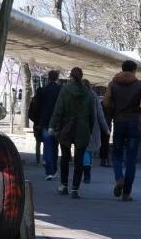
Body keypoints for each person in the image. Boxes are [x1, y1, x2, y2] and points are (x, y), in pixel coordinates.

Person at [104, 59, 141, 201]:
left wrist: (112, 112)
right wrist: (139, 111)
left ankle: (119, 178)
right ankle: (126, 193)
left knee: (117, 154)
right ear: (134, 70)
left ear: (122, 69)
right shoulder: (139, 84)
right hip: (134, 123)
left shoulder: (113, 84)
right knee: (131, 159)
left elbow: (106, 102)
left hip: (119, 122)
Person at [49, 67, 94, 197]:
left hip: (66, 127)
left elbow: (59, 110)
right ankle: (75, 189)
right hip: (83, 128)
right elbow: (92, 115)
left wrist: (52, 126)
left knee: (65, 157)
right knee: (79, 159)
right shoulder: (87, 93)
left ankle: (64, 186)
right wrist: (89, 130)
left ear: (71, 77)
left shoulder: (65, 90)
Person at [27, 70, 62, 178]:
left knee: (47, 145)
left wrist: (37, 121)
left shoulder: (42, 91)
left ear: (48, 78)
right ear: (57, 78)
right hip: (57, 122)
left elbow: (35, 108)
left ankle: (49, 170)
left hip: (44, 122)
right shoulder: (60, 90)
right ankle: (54, 170)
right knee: (55, 146)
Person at [83, 79, 110, 184]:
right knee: (89, 150)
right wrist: (106, 128)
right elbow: (100, 115)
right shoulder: (94, 97)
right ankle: (87, 172)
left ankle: (85, 172)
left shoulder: (78, 96)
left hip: (81, 127)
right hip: (93, 127)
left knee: (84, 149)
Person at [95, 85, 112, 166]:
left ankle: (103, 159)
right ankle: (104, 159)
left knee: (103, 142)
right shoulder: (111, 104)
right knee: (105, 143)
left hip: (101, 125)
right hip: (107, 125)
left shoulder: (102, 103)